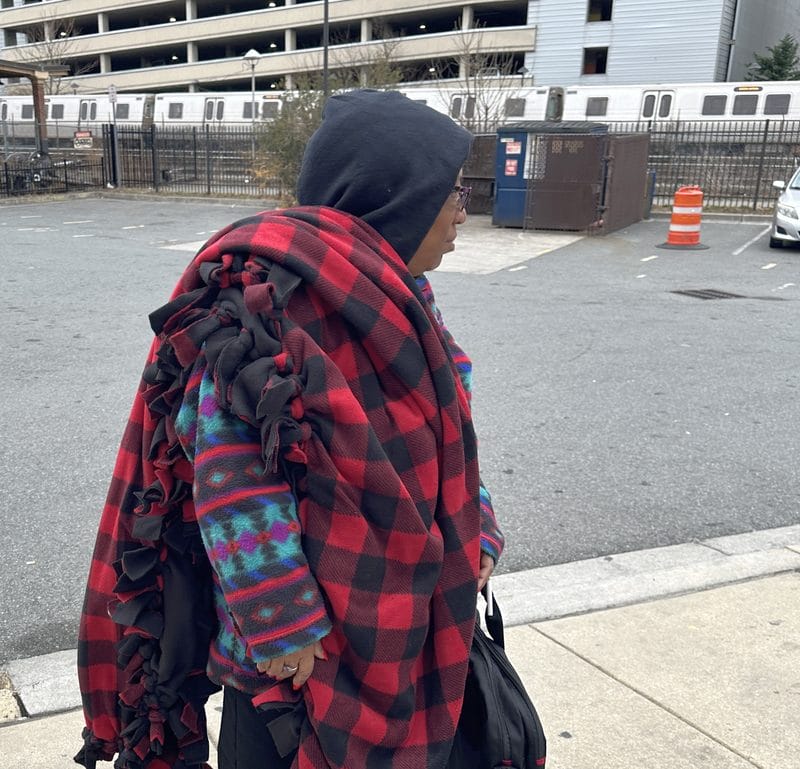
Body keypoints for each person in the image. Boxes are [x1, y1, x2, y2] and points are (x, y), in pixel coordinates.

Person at [76, 89, 504, 769]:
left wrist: (475, 522)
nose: (462, 211)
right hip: (302, 652)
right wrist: (281, 618)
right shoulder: (267, 302)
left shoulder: (402, 293)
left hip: (410, 614)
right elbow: (230, 470)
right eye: (451, 192)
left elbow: (447, 433)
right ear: (398, 198)